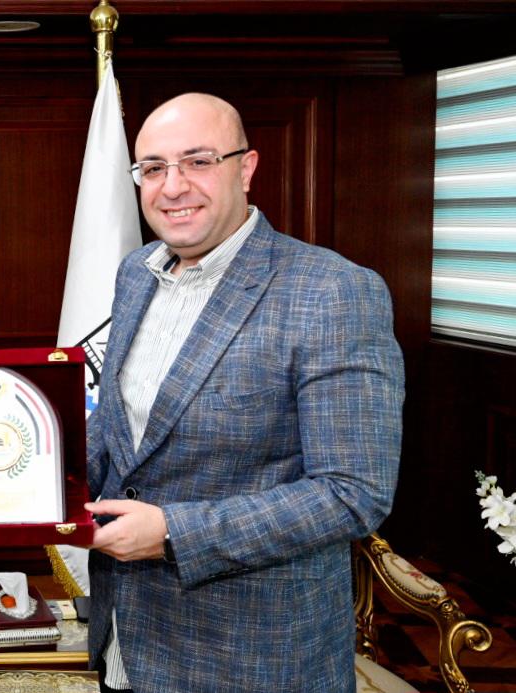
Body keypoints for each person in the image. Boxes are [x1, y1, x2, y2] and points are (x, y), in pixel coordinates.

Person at [84, 93, 404, 693]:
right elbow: (119, 431)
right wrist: (16, 488)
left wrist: (174, 532)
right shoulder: (137, 272)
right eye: (153, 168)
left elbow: (352, 493)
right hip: (126, 638)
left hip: (252, 658)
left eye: (198, 161)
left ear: (247, 168)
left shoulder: (331, 291)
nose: (172, 186)